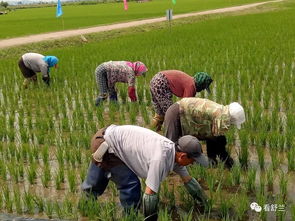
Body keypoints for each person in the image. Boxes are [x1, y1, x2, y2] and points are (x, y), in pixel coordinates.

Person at [81, 125, 209, 220]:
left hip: (109, 139)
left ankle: (84, 208)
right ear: (183, 156)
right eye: (192, 160)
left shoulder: (173, 152)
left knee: (95, 184)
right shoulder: (160, 158)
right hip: (106, 145)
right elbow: (149, 193)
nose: (193, 163)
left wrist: (204, 202)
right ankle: (130, 216)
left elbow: (187, 179)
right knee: (130, 184)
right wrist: (151, 217)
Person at [164, 97, 246, 168]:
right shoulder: (221, 118)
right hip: (175, 114)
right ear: (233, 118)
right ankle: (166, 168)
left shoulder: (222, 111)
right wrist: (227, 160)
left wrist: (212, 158)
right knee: (170, 146)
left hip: (181, 112)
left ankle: (183, 164)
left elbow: (210, 137)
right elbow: (216, 142)